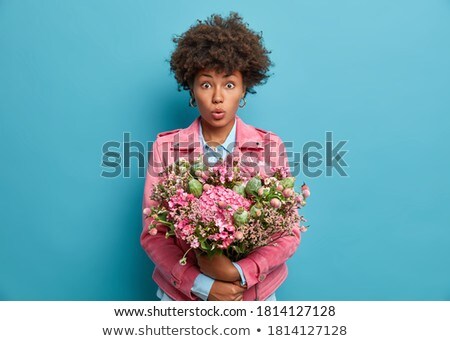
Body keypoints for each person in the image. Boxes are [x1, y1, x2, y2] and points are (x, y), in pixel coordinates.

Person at [141, 12, 300, 301]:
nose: (217, 97)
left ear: (243, 90)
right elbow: (155, 234)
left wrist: (238, 274)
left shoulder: (269, 146)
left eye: (229, 84)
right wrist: (203, 285)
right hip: (182, 298)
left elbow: (288, 233)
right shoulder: (166, 148)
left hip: (253, 297)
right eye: (205, 84)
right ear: (191, 89)